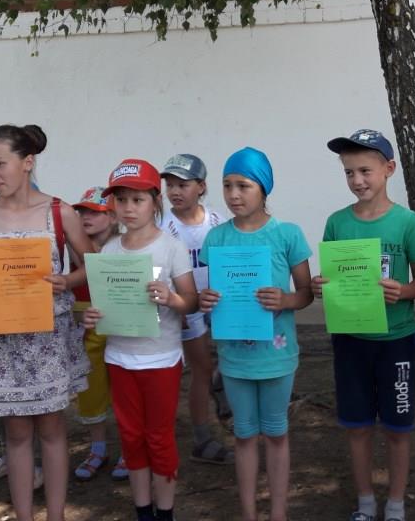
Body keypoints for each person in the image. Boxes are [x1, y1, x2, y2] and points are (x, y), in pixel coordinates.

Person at [0, 124, 91, 521]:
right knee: (15, 434)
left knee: (52, 430)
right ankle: (25, 515)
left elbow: (92, 265)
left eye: (0, 163)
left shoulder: (59, 212)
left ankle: (57, 515)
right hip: (2, 342)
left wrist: (68, 281)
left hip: (47, 340)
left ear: (27, 162)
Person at [312, 130, 415, 521]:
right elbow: (331, 280)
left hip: (397, 341)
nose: (357, 180)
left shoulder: (408, 222)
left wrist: (404, 291)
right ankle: (365, 502)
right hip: (351, 340)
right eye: (349, 172)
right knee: (357, 426)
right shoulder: (337, 223)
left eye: (365, 170)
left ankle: (395, 504)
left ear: (389, 169)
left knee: (398, 428)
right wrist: (319, 286)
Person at [198, 147, 314, 521]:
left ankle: (278, 512)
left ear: (263, 188)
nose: (234, 195)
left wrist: (286, 299)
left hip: (276, 355)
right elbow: (212, 294)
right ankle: (248, 513)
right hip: (234, 357)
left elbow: (306, 293)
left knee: (277, 433)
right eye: (227, 185)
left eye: (243, 185)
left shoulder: (287, 235)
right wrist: (206, 300)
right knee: (244, 434)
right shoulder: (217, 239)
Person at [82, 159, 199, 521]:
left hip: (161, 359)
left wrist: (171, 298)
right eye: (121, 200)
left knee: (159, 437)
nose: (129, 208)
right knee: (131, 437)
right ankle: (143, 511)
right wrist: (93, 316)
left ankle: (165, 512)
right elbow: (103, 304)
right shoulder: (109, 251)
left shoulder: (171, 247)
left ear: (155, 201)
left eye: (138, 200)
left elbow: (191, 301)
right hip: (119, 358)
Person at [158, 153, 233, 465]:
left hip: (219, 300)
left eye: (183, 184)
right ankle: (202, 439)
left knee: (231, 353)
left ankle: (222, 384)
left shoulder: (217, 221)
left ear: (201, 186)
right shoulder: (163, 226)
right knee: (200, 367)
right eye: (170, 185)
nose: (175, 191)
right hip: (187, 306)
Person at [68, 185, 128, 481]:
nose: (85, 217)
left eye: (94, 211)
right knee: (91, 385)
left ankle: (129, 449)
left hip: (120, 323)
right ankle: (98, 447)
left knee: (124, 387)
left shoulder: (126, 246)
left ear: (113, 217)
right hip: (86, 325)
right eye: (81, 212)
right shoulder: (72, 248)